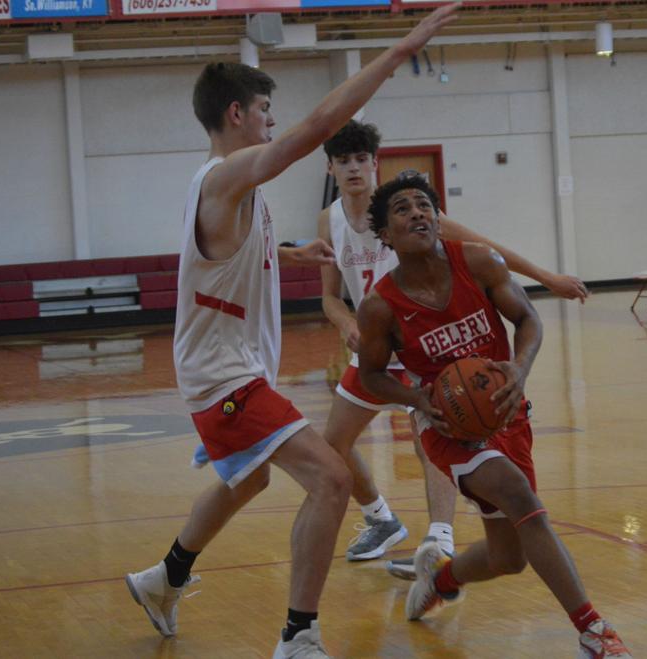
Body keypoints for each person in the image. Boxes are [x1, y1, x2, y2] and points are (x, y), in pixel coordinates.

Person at [123, 6, 459, 659]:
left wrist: (290, 256)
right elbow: (315, 129)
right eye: (264, 110)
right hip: (224, 374)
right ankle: (297, 636)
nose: (272, 122)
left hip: (227, 367)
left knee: (248, 479)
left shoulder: (222, 187)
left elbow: (222, 254)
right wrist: (398, 52)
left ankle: (163, 578)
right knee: (331, 478)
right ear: (236, 114)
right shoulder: (227, 174)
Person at [355, 175, 632, 658]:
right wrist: (418, 399)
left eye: (424, 205)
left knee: (510, 557)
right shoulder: (380, 306)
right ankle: (594, 632)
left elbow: (527, 319)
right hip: (446, 425)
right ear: (385, 234)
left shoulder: (479, 262)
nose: (417, 213)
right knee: (517, 493)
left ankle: (440, 580)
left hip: (505, 411)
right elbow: (371, 375)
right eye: (402, 209)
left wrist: (519, 369)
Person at [308, 121, 590, 571]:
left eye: (361, 159)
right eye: (344, 161)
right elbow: (328, 295)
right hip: (376, 346)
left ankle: (439, 540)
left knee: (437, 432)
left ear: (375, 162)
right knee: (332, 443)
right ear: (330, 169)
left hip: (423, 344)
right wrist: (346, 323)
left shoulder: (407, 211)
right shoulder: (330, 220)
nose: (354, 168)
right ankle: (380, 519)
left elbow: (486, 248)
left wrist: (548, 278)